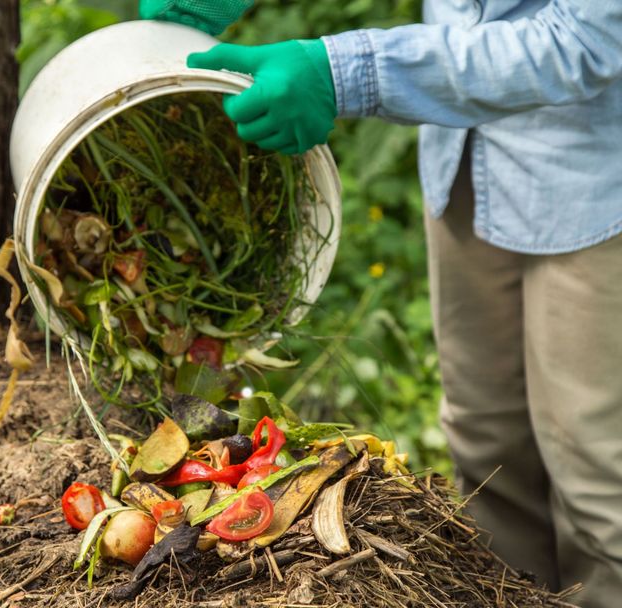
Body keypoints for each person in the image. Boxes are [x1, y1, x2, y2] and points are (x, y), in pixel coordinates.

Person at [138, 1, 622, 607]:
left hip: (595, 180)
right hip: (465, 152)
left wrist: (342, 73)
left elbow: (588, 38)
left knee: (598, 471)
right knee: (488, 444)